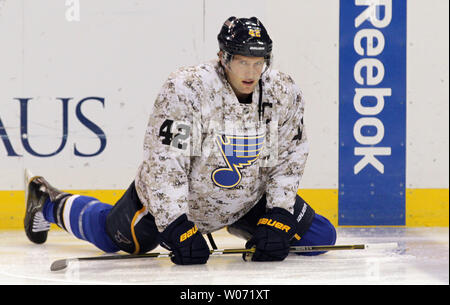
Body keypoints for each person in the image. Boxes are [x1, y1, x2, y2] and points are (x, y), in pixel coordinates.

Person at [24, 16, 336, 265]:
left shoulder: (282, 90)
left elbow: (290, 152)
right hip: (177, 204)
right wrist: (174, 225)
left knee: (320, 236)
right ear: (223, 58)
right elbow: (165, 160)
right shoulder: (188, 89)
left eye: (259, 63)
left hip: (247, 199)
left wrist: (279, 214)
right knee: (116, 239)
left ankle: (244, 224)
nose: (251, 72)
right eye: (243, 62)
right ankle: (47, 202)